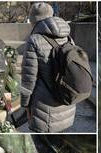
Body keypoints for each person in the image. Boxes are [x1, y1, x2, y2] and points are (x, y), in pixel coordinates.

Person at [21, 2, 76, 132]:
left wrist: (25, 104)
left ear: (33, 20)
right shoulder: (68, 37)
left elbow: (29, 79)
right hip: (66, 102)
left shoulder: (34, 40)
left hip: (44, 109)